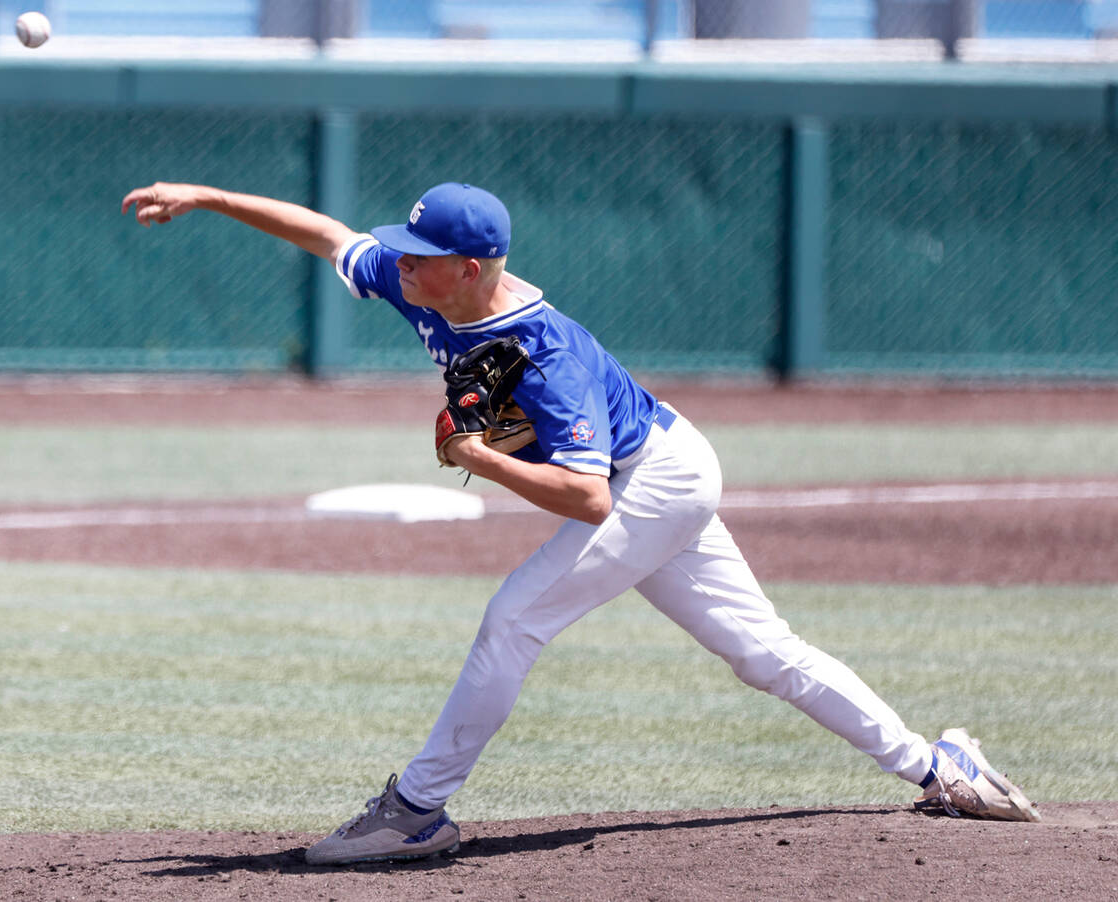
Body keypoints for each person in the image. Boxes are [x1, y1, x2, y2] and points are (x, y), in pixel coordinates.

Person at [121, 180, 1041, 865]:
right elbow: (325, 233)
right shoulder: (423, 284)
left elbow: (589, 499)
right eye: (402, 250)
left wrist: (478, 461)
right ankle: (938, 766)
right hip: (667, 463)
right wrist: (205, 198)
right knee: (764, 653)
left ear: (469, 267)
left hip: (658, 480)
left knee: (516, 615)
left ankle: (416, 811)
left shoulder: (542, 350)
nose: (398, 262)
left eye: (418, 253)